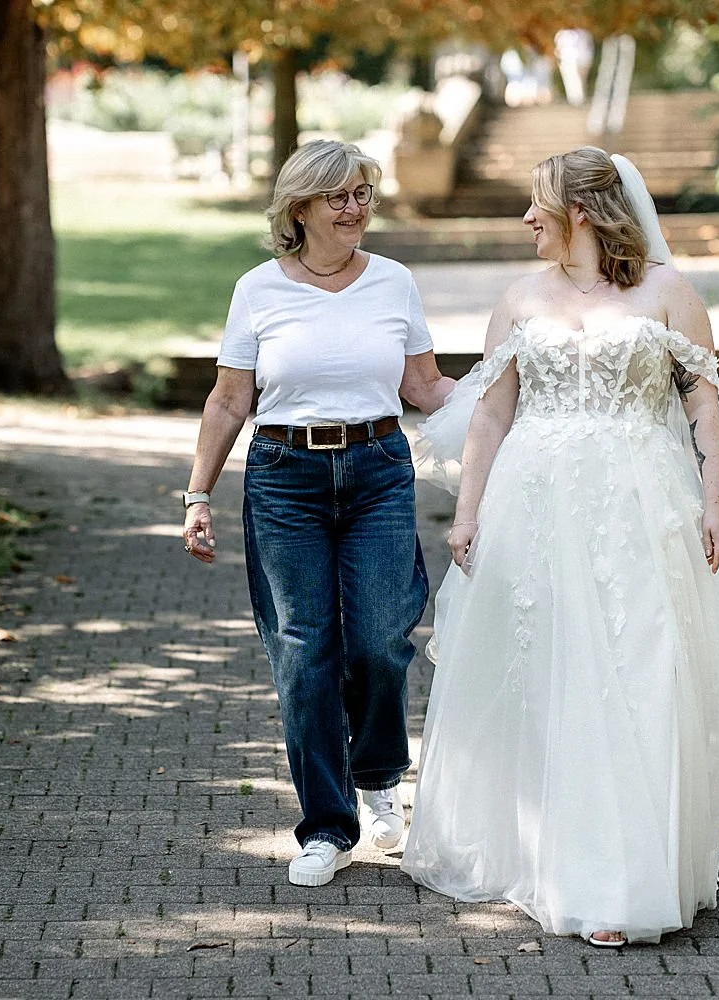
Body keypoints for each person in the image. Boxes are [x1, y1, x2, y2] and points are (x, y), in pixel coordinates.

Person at [401, 146, 719, 945]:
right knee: (550, 669)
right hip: (534, 501)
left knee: (638, 668)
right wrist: (467, 514)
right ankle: (548, 854)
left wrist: (717, 503)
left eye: (538, 205)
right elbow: (493, 414)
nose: (526, 219)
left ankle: (624, 876)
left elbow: (703, 409)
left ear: (581, 212)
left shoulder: (669, 293)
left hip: (641, 504)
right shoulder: (518, 298)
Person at [182, 139, 453, 888]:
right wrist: (198, 494)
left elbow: (426, 388)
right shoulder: (258, 290)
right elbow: (230, 398)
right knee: (304, 654)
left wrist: (517, 394)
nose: (355, 208)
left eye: (363, 193)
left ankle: (378, 778)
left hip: (376, 471)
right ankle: (326, 828)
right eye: (338, 196)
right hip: (284, 477)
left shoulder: (394, 283)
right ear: (298, 208)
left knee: (378, 638)